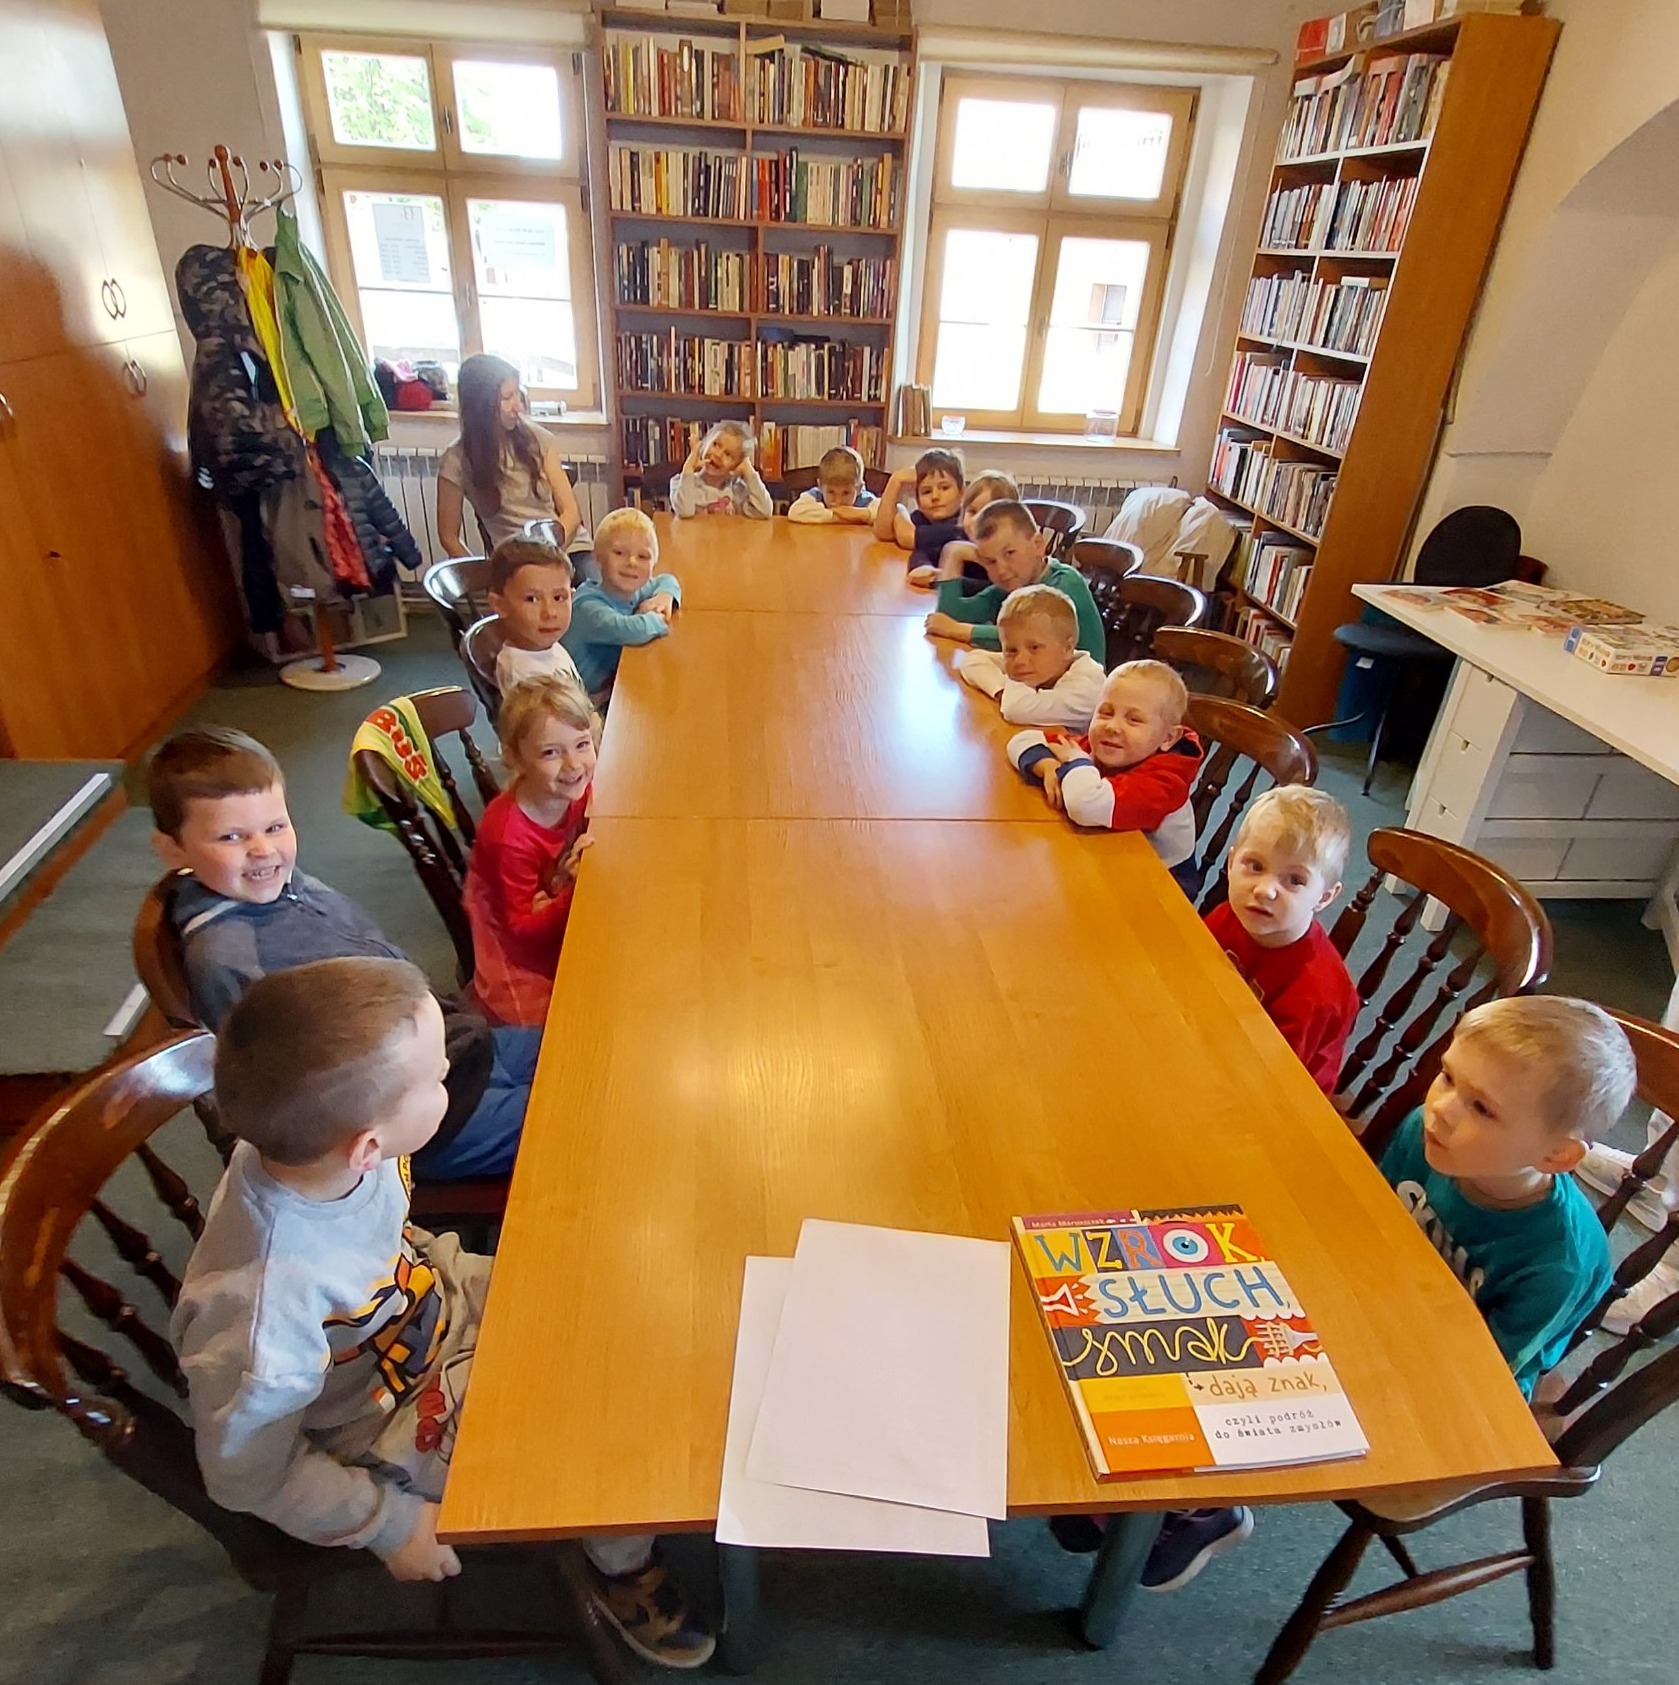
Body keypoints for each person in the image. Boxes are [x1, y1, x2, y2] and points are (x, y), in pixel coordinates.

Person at [172, 957, 714, 1668]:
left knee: (625, 1294)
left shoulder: (320, 1151)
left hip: (432, 1298)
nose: (452, 1073)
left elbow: (386, 1242)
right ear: (368, 1147)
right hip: (387, 1419)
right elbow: (245, 1474)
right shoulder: (262, 1321)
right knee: (609, 1439)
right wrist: (386, 1522)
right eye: (435, 1078)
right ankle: (620, 1563)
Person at [147, 727, 536, 1182]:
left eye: (275, 827)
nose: (263, 850)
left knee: (587, 1052)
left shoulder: (285, 884)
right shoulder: (228, 958)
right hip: (419, 1117)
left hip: (454, 1046)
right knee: (584, 1113)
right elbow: (296, 1094)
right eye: (231, 837)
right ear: (172, 849)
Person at [1380, 994, 1633, 1398]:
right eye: (1448, 1077)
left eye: (1482, 1108)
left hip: (1456, 1375)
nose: (1441, 1109)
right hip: (1387, 1299)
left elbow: (1488, 1374)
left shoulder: (1559, 1263)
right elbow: (1370, 1220)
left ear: (1555, 1155)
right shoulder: (1428, 1135)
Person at [1202, 787, 1360, 1096]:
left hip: (1274, 1092)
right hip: (1216, 1041)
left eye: (1295, 880)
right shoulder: (1232, 915)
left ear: (1324, 897)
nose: (1265, 890)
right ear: (1231, 863)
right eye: (1255, 866)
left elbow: (1272, 1080)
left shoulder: (1316, 995)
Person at [465, 679, 599, 1027]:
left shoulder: (574, 788)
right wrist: (575, 890)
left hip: (552, 894)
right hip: (512, 944)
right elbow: (521, 931)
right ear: (515, 758)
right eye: (550, 753)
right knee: (566, 1023)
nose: (573, 764)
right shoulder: (509, 836)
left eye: (582, 744)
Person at [1007, 660, 1203, 868]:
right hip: (1107, 849)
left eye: (1134, 720)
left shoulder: (1165, 782)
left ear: (1168, 738)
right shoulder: (1102, 746)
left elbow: (1083, 805)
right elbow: (1022, 740)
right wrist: (1046, 765)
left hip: (1161, 873)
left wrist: (1077, 762)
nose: (1112, 726)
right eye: (1106, 712)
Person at [437, 353, 585, 556]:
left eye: (517, 394)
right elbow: (448, 537)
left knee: (603, 575)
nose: (519, 407)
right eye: (507, 398)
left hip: (566, 546)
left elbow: (571, 512)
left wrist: (550, 552)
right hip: (517, 558)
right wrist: (484, 571)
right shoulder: (456, 460)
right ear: (481, 405)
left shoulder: (537, 438)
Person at [926, 500, 1106, 662]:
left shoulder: (1064, 583)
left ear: (1038, 545)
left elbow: (1025, 637)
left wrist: (957, 630)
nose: (1001, 570)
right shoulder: (1014, 585)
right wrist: (953, 554)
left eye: (1009, 553)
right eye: (990, 561)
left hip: (1078, 685)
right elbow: (947, 616)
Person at [562, 506, 682, 700]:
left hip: (608, 687)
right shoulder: (588, 606)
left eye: (643, 556)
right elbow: (631, 629)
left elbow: (666, 580)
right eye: (619, 553)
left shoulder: (630, 590)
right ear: (598, 559)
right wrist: (657, 619)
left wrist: (665, 596)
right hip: (581, 700)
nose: (632, 562)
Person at [955, 584, 1105, 731]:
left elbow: (1014, 709)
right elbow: (973, 660)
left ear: (1067, 648)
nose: (1020, 660)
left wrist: (1014, 684)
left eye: (1034, 648)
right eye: (1011, 650)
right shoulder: (1047, 665)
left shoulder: (1086, 689)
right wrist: (1001, 691)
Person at [485, 536, 583, 694]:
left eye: (558, 598)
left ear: (572, 597)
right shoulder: (525, 678)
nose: (550, 612)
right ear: (500, 605)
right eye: (532, 599)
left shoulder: (544, 646)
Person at [873, 447, 965, 587]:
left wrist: (900, 510)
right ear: (917, 500)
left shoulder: (962, 525)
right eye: (926, 491)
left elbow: (907, 537)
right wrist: (895, 483)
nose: (935, 496)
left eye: (944, 488)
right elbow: (883, 532)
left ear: (962, 492)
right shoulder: (922, 518)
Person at [671, 419, 773, 518]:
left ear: (736, 465)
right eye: (715, 444)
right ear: (704, 444)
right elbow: (684, 512)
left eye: (728, 454)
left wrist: (748, 470)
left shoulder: (737, 491)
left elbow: (765, 511)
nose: (718, 455)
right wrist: (689, 467)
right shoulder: (681, 483)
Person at [787, 444, 878, 525]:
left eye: (846, 493)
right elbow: (795, 512)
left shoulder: (865, 499)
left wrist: (861, 514)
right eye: (831, 492)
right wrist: (838, 516)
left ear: (859, 489)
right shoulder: (816, 495)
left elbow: (883, 515)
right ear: (820, 486)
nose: (838, 501)